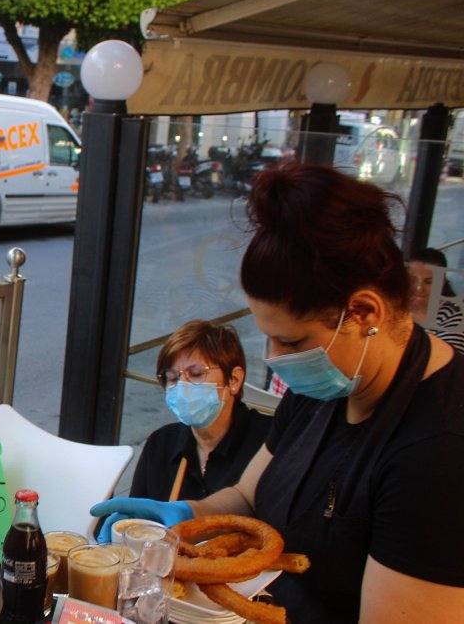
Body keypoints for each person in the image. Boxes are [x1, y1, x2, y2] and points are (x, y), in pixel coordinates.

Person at [92, 162, 464, 622]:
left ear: (365, 312)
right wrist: (186, 512)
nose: (273, 357)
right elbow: (250, 497)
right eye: (267, 337)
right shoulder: (327, 383)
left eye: (291, 342)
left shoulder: (438, 454)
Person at [130, 320, 271, 502]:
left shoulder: (269, 443)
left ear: (234, 380)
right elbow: (134, 522)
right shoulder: (161, 445)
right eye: (172, 378)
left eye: (196, 374)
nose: (182, 386)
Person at [408, 247, 464, 354]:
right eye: (413, 280)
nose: (419, 288)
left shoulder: (454, 317)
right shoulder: (394, 307)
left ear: (442, 282)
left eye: (429, 282)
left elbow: (446, 365)